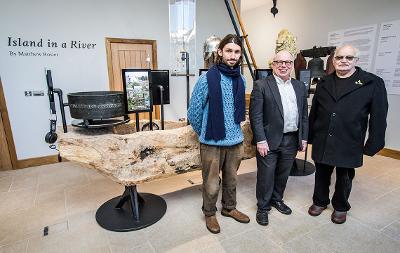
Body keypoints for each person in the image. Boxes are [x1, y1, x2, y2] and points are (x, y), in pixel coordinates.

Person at [307, 44, 388, 224]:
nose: (343, 61)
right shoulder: (324, 82)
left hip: (349, 138)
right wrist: (309, 135)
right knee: (321, 171)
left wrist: (374, 142)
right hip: (323, 136)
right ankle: (319, 201)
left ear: (356, 61)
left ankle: (341, 206)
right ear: (333, 60)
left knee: (344, 176)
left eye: (349, 58)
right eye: (339, 57)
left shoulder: (371, 83)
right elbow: (315, 112)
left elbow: (379, 116)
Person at [187, 34, 250, 234]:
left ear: (240, 55)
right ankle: (210, 212)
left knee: (232, 180)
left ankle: (229, 208)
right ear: (220, 52)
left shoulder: (241, 79)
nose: (232, 55)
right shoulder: (206, 79)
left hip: (235, 141)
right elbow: (194, 112)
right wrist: (206, 132)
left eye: (237, 52)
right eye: (229, 51)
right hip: (212, 141)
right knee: (211, 182)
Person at [249, 50, 308, 226]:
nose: (283, 65)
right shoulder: (261, 85)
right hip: (268, 140)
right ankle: (263, 207)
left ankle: (277, 199)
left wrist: (304, 137)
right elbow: (256, 116)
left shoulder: (299, 86)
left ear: (292, 65)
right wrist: (260, 140)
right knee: (266, 176)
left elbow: (304, 114)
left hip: (291, 139)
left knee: (283, 174)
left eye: (287, 62)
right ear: (272, 64)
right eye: (279, 62)